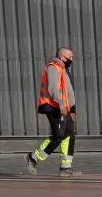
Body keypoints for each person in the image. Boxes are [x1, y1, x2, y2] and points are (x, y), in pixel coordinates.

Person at [25, 47, 79, 177]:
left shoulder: (63, 69)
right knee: (58, 136)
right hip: (55, 107)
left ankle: (65, 167)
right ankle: (33, 158)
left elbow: (69, 92)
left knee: (69, 136)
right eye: (70, 57)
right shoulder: (53, 68)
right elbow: (52, 88)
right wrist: (60, 104)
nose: (72, 59)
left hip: (65, 108)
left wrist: (72, 109)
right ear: (62, 57)